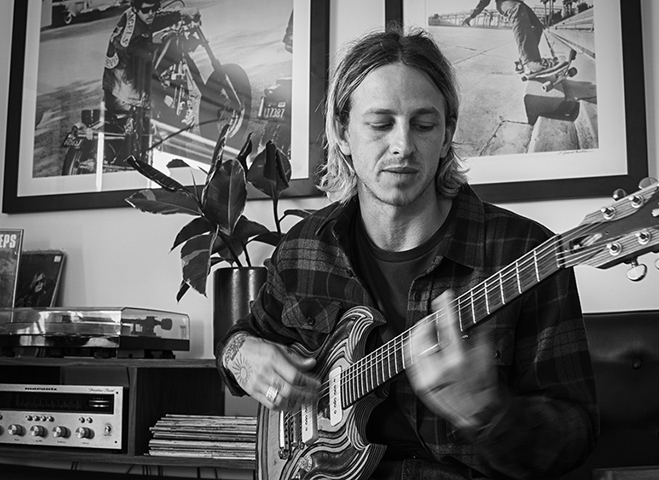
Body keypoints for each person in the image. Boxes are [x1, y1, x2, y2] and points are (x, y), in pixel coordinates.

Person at [216, 27, 599, 479]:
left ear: (447, 134)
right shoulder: (304, 249)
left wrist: (488, 412)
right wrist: (239, 354)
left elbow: (575, 437)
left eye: (424, 125)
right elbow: (244, 337)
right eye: (380, 124)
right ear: (342, 132)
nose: (403, 145)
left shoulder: (526, 253)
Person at [102, 0, 198, 161]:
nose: (151, 13)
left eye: (154, 8)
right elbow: (145, 72)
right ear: (136, 8)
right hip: (127, 94)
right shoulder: (135, 38)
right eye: (146, 10)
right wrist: (163, 92)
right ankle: (177, 162)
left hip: (113, 88)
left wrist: (181, 13)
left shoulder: (131, 15)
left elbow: (154, 19)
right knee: (172, 123)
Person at [463, 0, 552, 74]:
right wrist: (472, 16)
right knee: (517, 8)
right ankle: (530, 63)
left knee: (537, 25)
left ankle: (524, 59)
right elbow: (484, 1)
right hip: (504, 2)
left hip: (518, 2)